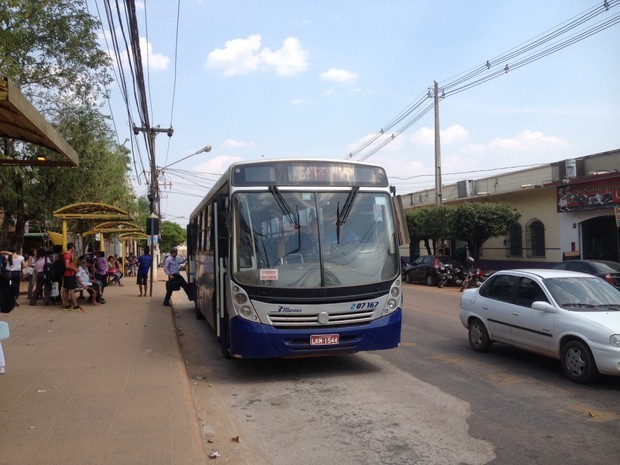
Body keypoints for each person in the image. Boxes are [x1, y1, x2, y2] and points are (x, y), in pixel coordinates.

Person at [61, 242, 83, 312]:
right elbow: (67, 266)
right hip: (68, 275)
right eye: (74, 248)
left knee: (65, 290)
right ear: (72, 248)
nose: (75, 250)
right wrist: (74, 269)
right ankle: (75, 305)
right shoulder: (68, 255)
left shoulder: (67, 255)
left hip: (67, 275)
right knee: (71, 290)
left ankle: (67, 305)